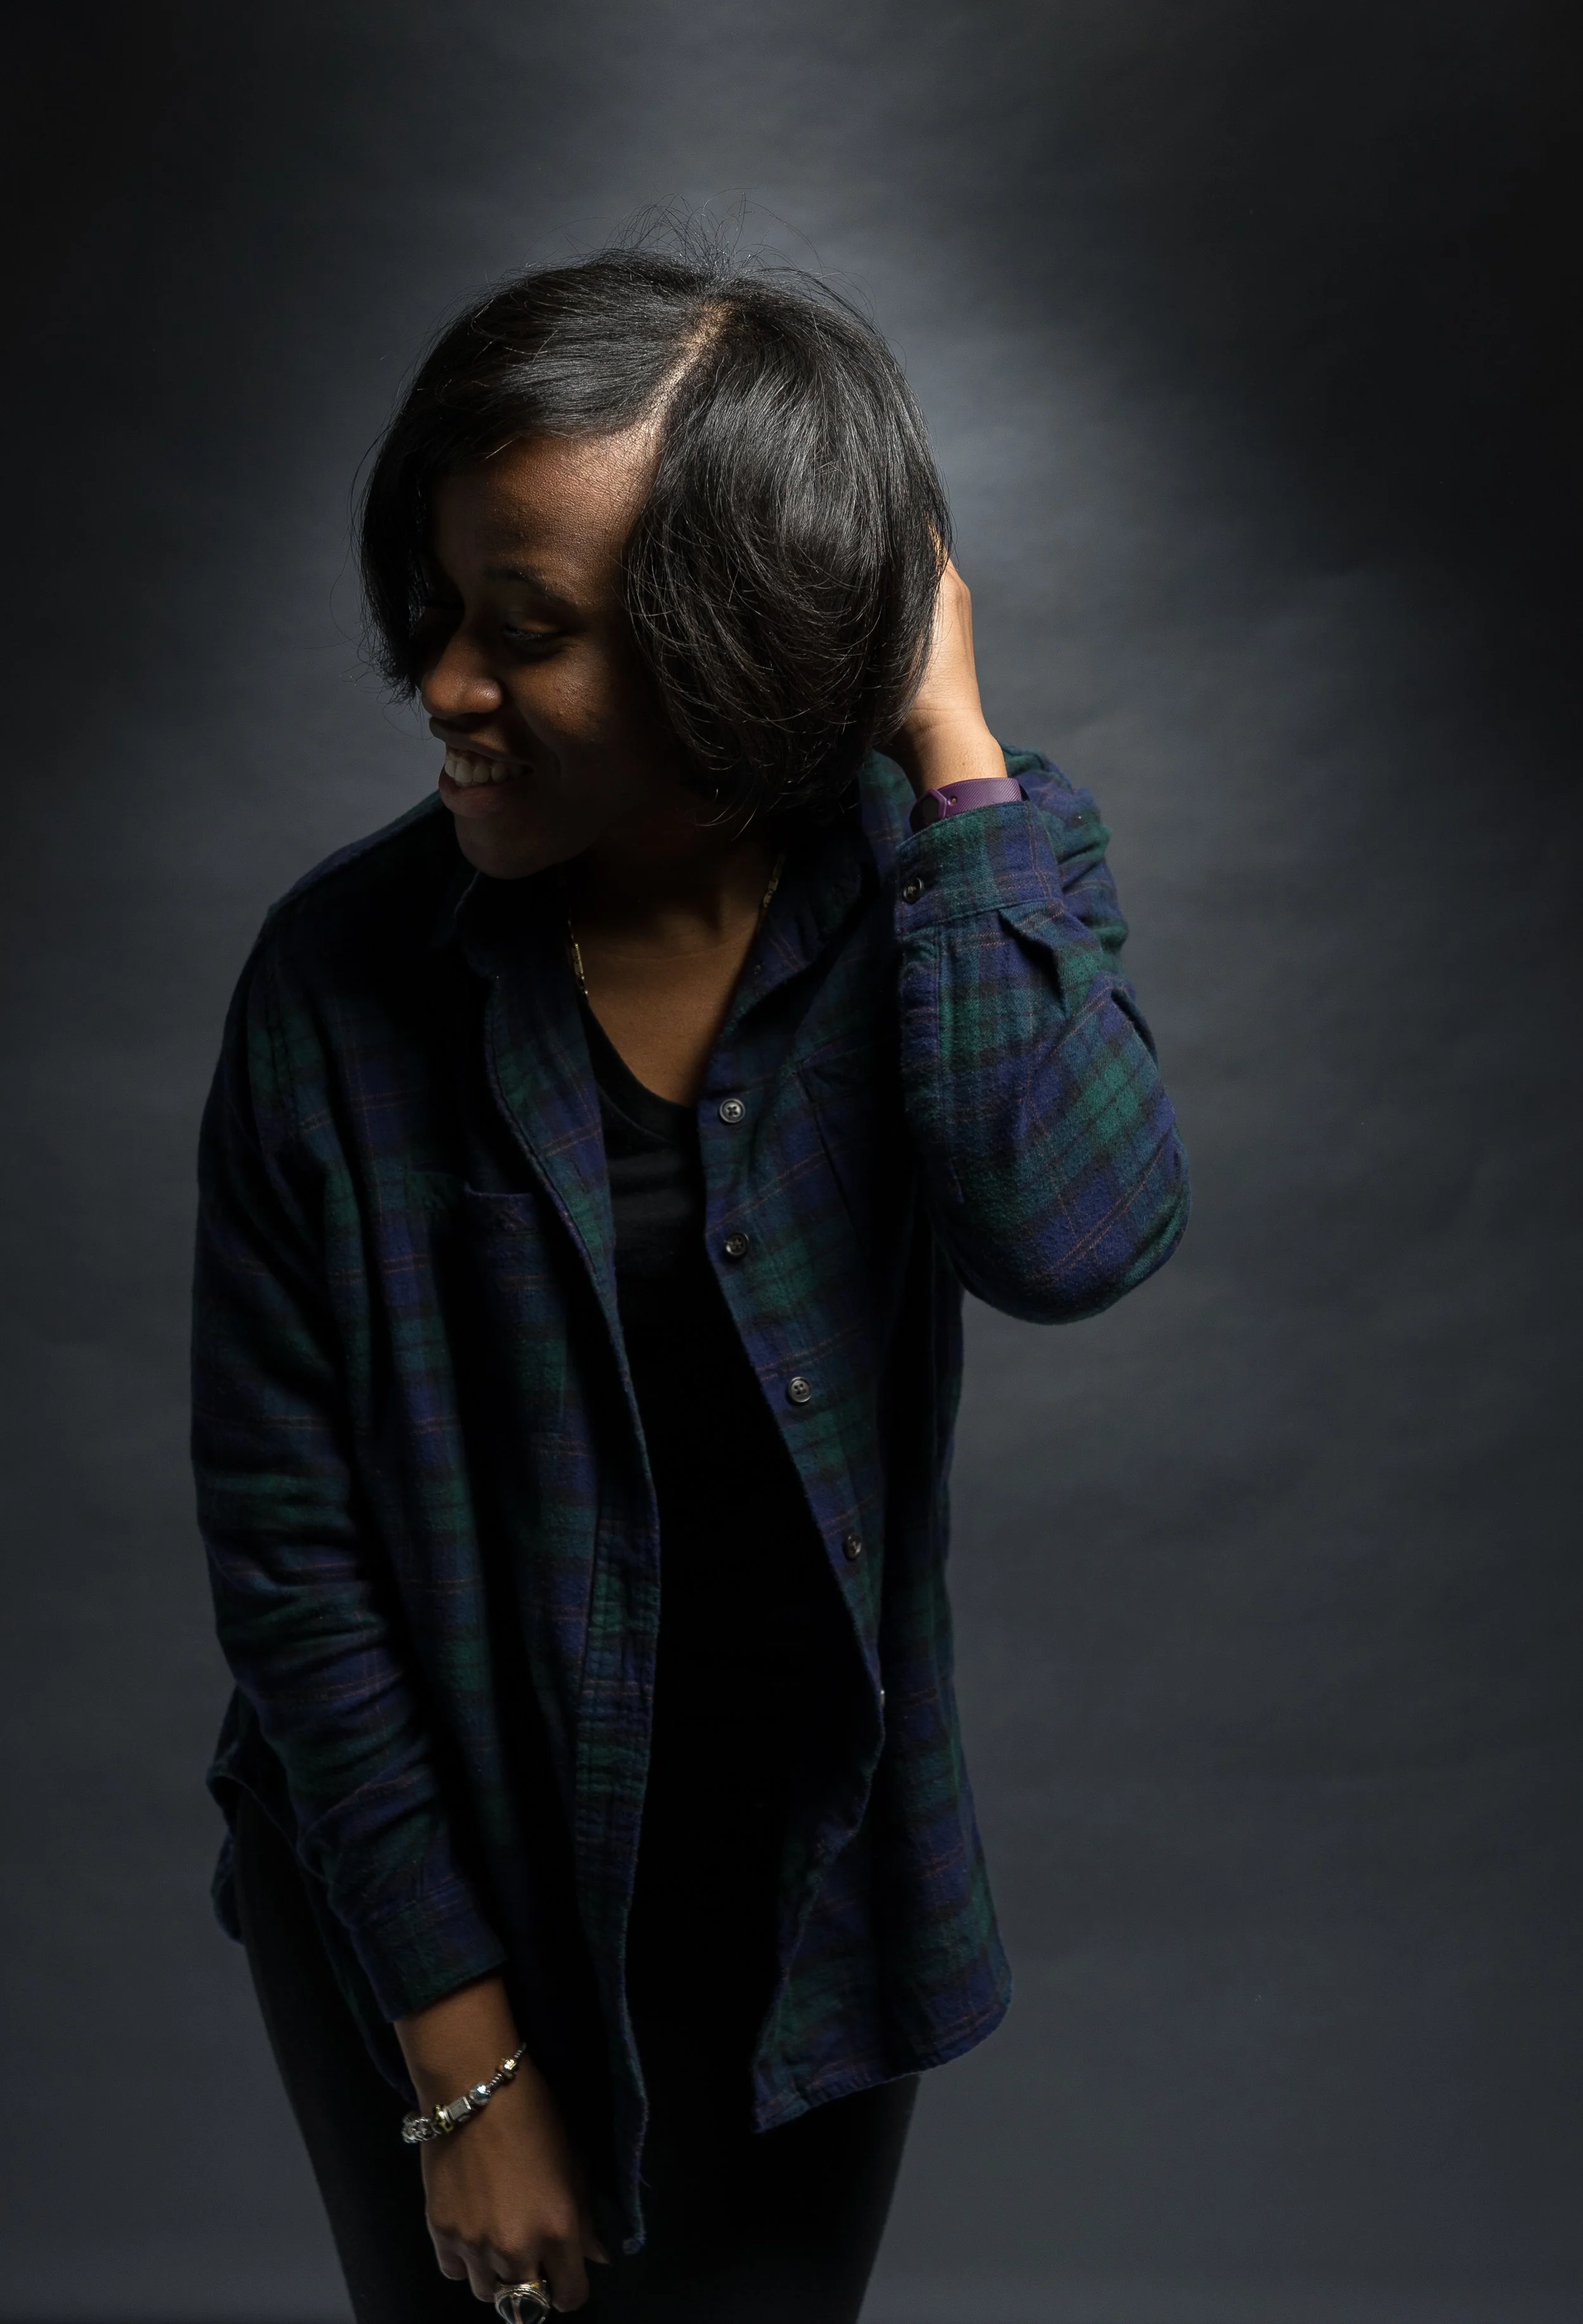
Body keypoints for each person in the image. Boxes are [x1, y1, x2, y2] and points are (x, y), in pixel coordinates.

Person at [193, 246, 1189, 2324]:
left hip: (798, 1904)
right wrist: (466, 2070)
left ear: (728, 654)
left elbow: (1074, 1235)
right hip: (437, 1897)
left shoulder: (963, 889)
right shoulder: (333, 983)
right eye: (442, 605)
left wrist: (952, 751)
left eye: (527, 631)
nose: (447, 682)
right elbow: (295, 1556)